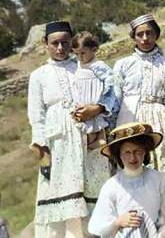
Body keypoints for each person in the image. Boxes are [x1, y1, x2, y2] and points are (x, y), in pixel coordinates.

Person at [27, 21, 116, 238]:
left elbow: (112, 88)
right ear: (45, 44)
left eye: (65, 43)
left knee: (93, 190)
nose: (60, 48)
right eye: (54, 43)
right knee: (65, 196)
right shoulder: (39, 75)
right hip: (59, 143)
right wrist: (43, 153)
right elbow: (36, 117)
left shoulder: (84, 65)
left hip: (88, 137)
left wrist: (97, 108)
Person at [113, 14, 165, 186]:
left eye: (149, 33)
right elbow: (115, 99)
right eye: (140, 34)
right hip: (130, 118)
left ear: (156, 34)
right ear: (133, 37)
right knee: (132, 163)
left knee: (163, 165)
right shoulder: (123, 64)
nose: (145, 38)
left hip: (159, 120)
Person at [88, 122, 165, 238]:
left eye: (137, 151)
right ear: (119, 154)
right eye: (127, 152)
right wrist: (118, 223)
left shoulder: (159, 180)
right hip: (124, 235)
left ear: (145, 152)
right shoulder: (112, 186)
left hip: (155, 235)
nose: (133, 158)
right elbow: (98, 228)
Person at [71, 31, 117, 151]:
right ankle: (97, 141)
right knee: (87, 127)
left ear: (94, 49)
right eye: (76, 54)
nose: (80, 57)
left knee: (96, 123)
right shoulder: (79, 65)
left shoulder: (98, 65)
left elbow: (110, 80)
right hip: (82, 102)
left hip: (94, 100)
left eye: (83, 53)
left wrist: (102, 99)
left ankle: (100, 140)